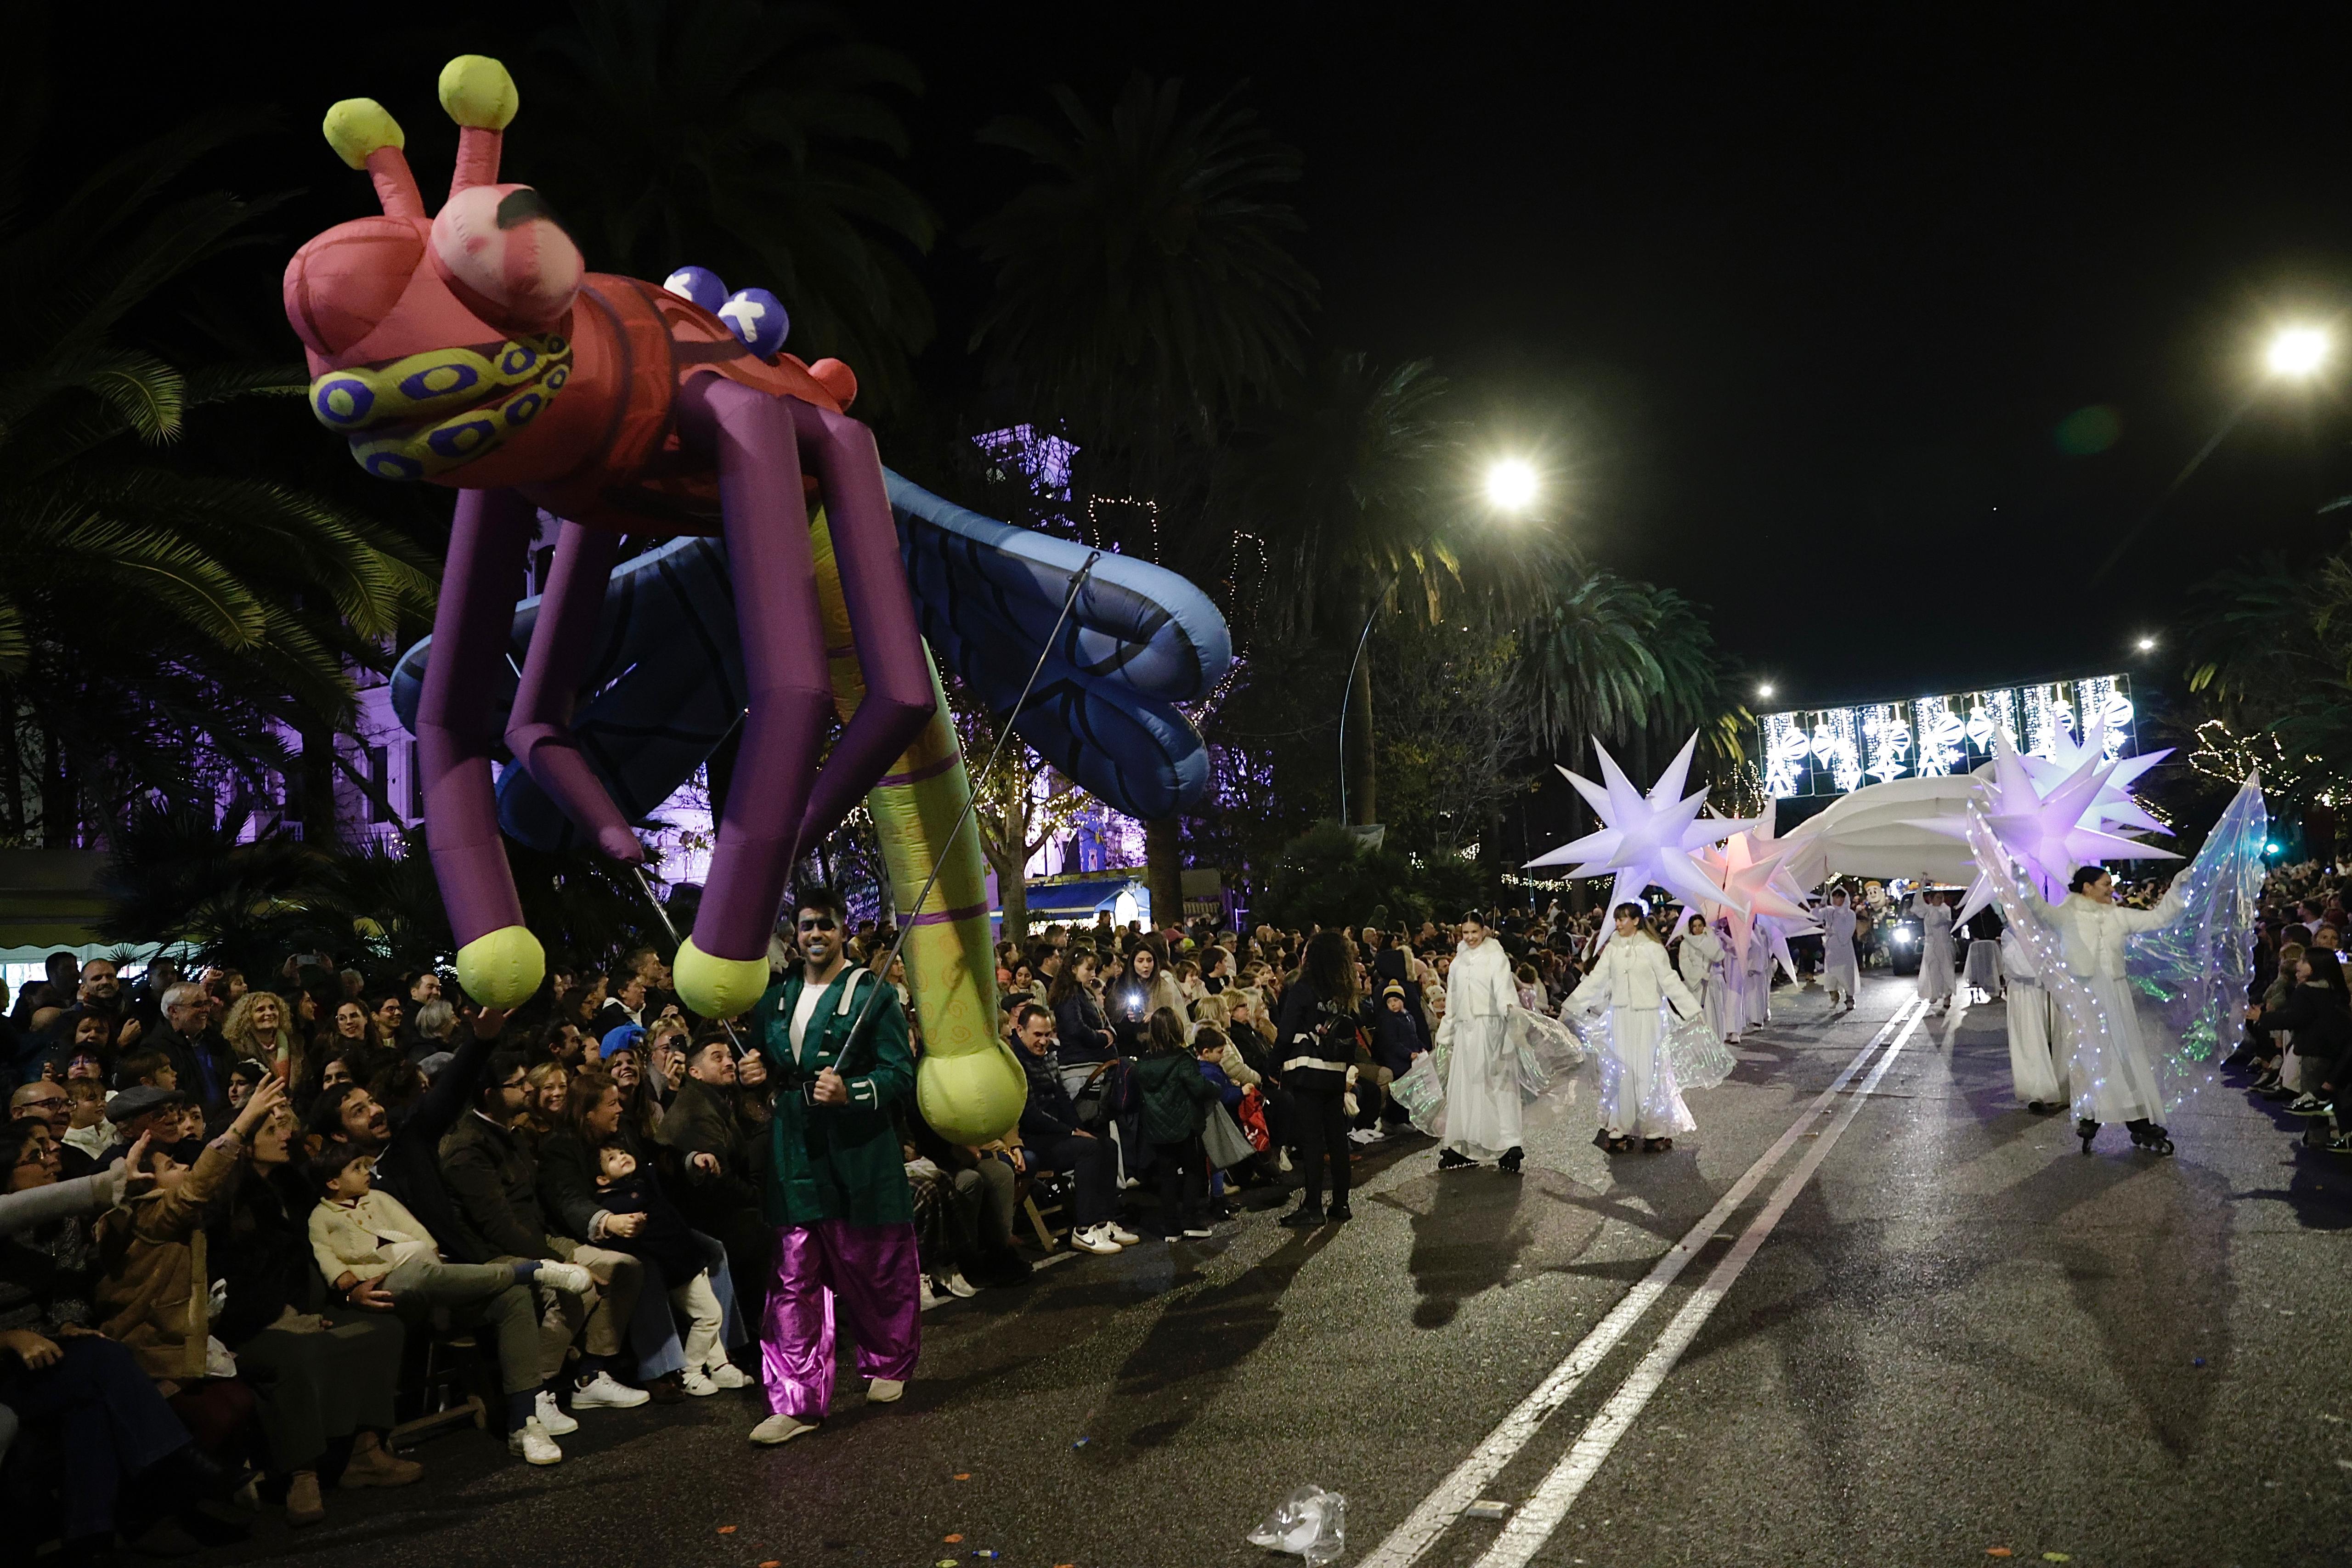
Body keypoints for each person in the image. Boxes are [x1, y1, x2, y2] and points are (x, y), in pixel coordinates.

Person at [747, 886, 922, 1447]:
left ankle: (888, 1359)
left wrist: (854, 1091)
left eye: (825, 924)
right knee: (792, 1274)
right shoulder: (775, 998)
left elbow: (901, 1072)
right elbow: (771, 1070)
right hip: (793, 1150)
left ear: (843, 929)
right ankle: (795, 1398)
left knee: (872, 1260)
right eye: (805, 926)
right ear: (792, 935)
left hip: (858, 1151)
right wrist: (756, 1076)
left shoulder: (874, 995)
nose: (815, 935)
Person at [307, 1143, 592, 1466]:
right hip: (378, 1283)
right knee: (417, 1276)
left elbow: (417, 1231)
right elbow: (323, 1253)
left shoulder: (382, 1199)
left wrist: (430, 1254)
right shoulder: (322, 1216)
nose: (366, 1173)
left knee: (509, 1296)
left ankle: (525, 1421)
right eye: (357, 1168)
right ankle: (526, 1271)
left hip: (429, 1270)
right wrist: (343, 1280)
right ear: (333, 1182)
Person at [438, 1053, 650, 1444]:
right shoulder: (468, 1148)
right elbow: (497, 1225)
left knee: (625, 1267)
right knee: (573, 1284)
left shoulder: (511, 1133)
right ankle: (537, 1392)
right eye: (519, 1085)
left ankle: (591, 1373)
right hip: (492, 1250)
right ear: (491, 1094)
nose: (529, 1089)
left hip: (538, 1235)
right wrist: (558, 1261)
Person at [2037, 866, 2186, 1154]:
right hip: (2086, 995)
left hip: (2117, 994)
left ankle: (2137, 1116)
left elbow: (2159, 918)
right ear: (2087, 888)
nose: (2111, 889)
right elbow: (2038, 910)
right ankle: (2092, 1112)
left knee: (2125, 1051)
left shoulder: (2118, 915)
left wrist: (2177, 887)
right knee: (2094, 1052)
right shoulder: (2066, 915)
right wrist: (2021, 883)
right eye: (2105, 884)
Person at [588, 1142, 739, 1395]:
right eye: (612, 1158)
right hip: (677, 1266)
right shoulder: (618, 1203)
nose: (623, 1157)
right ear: (602, 1179)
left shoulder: (641, 1186)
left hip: (688, 1259)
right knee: (709, 1316)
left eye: (624, 1152)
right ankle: (690, 1372)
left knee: (711, 1315)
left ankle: (717, 1364)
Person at [1567, 904, 1705, 1154]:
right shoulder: (1613, 952)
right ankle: (1620, 1125)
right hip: (1621, 1017)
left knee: (1647, 1070)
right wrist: (1572, 1006)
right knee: (1622, 1072)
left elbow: (1670, 981)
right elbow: (1596, 981)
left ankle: (1655, 1129)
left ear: (1636, 921)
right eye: (1616, 920)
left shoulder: (1652, 949)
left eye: (1623, 920)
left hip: (1648, 1017)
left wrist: (1692, 1010)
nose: (1618, 924)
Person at [1009, 1004, 1130, 1256]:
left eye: (1047, 1034)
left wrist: (1077, 1127)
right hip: (1031, 1138)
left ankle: (1104, 1222)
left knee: (1108, 1145)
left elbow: (1062, 1098)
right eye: (1037, 1035)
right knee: (1088, 1149)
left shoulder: (1049, 1055)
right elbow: (1030, 1114)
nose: (1044, 1041)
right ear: (1020, 1030)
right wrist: (1071, 1132)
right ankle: (1084, 1229)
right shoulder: (1014, 1063)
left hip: (1054, 1132)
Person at [1272, 929, 1363, 1225]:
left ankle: (1312, 1207)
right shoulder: (1344, 991)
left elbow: (1286, 1034)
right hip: (1335, 1073)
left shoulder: (1303, 987)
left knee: (1312, 1141)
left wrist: (1271, 1066)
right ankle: (1341, 1203)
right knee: (1337, 1138)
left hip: (1307, 1071)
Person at [1429, 912, 1525, 1174]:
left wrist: (1512, 1021)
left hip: (1490, 1029)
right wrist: (1446, 1034)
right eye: (1465, 933)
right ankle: (1466, 1143)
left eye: (1474, 932)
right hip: (1465, 1031)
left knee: (1496, 1085)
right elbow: (1452, 1001)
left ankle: (1508, 1143)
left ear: (1483, 930)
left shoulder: (1496, 957)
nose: (1470, 938)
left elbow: (1505, 993)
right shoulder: (1458, 962)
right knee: (1467, 1087)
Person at [1133, 1007, 1216, 1240]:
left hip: (1156, 1129)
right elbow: (1199, 1087)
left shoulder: (1143, 1064)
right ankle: (1190, 1220)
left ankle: (1171, 1228)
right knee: (1193, 1171)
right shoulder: (1183, 1060)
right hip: (1184, 1126)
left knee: (1167, 1176)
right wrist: (1217, 1088)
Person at [2000, 927, 2064, 1112]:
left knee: (2052, 1036)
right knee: (2030, 1041)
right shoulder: (2009, 935)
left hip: (2047, 991)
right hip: (2024, 993)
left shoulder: (2047, 933)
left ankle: (2059, 1084)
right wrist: (2043, 962)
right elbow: (2020, 966)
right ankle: (2038, 1091)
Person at [1676, 913, 1734, 1036]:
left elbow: (1719, 956)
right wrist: (1701, 974)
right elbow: (1685, 966)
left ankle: (1719, 1039)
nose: (1697, 929)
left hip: (1714, 982)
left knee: (1717, 1013)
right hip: (1698, 985)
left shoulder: (1712, 940)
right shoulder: (1685, 944)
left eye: (1700, 925)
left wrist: (1709, 942)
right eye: (1694, 926)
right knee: (1704, 1015)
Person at [1913, 889, 1956, 1013]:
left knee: (1946, 970)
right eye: (1937, 897)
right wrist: (1922, 885)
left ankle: (1948, 997)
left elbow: (1938, 921)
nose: (1940, 900)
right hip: (1931, 946)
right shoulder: (1928, 910)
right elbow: (1917, 903)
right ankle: (1935, 993)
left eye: (1941, 897)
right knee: (1933, 970)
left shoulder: (1945, 909)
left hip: (1944, 945)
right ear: (1931, 899)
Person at [1818, 891, 1860, 1013]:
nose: (1837, 900)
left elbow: (1848, 932)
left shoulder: (1850, 914)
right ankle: (1834, 996)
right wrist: (1821, 905)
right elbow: (1816, 917)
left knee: (1846, 975)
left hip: (1845, 949)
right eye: (1835, 897)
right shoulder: (1830, 911)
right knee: (1831, 975)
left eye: (1840, 897)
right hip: (1832, 950)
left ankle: (1850, 998)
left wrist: (1835, 931)